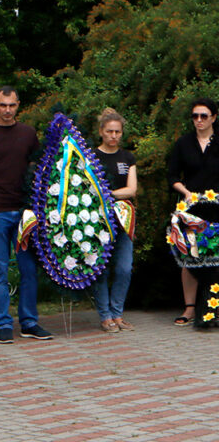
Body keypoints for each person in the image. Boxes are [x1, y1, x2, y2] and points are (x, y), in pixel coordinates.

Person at [0, 86, 53, 344]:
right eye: (3, 105)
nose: (7, 110)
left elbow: (39, 172)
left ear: (19, 105)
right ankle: (4, 322)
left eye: (12, 105)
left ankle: (29, 322)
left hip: (24, 212)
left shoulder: (28, 134)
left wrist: (40, 209)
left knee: (29, 269)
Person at [167, 97, 219, 326]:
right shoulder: (183, 143)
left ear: (214, 118)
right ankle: (189, 308)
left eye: (203, 116)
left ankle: (213, 306)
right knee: (191, 256)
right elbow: (172, 176)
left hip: (218, 209)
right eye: (195, 116)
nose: (198, 120)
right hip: (191, 210)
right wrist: (185, 192)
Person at [92, 108, 137, 333]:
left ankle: (118, 313)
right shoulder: (90, 156)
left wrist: (107, 194)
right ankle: (105, 315)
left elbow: (132, 189)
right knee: (100, 269)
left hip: (123, 220)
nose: (113, 136)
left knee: (124, 268)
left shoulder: (127, 157)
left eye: (117, 132)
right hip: (96, 221)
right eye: (109, 131)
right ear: (101, 131)